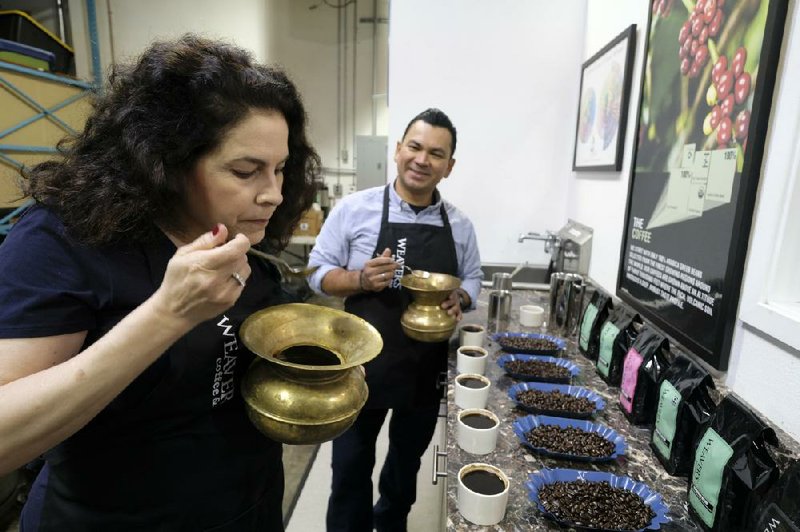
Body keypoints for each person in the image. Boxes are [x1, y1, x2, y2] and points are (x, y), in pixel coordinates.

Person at [0, 34, 320, 531]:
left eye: (280, 170)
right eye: (245, 171)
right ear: (166, 161)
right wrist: (166, 315)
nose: (274, 194)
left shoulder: (233, 239)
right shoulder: (63, 242)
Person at [307, 108, 482, 531]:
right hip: (360, 367)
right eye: (416, 147)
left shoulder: (459, 225)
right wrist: (358, 278)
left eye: (436, 154)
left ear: (449, 166)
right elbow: (316, 274)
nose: (423, 160)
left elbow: (474, 276)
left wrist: (459, 296)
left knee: (405, 470)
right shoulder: (353, 210)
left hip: (424, 370)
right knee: (349, 468)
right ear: (398, 150)